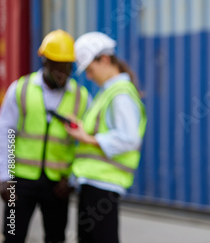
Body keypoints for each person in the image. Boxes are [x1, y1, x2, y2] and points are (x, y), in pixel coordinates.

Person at [0, 30, 89, 243]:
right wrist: (5, 177)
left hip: (58, 185)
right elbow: (6, 133)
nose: (62, 72)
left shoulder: (81, 97)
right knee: (13, 234)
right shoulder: (20, 89)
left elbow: (86, 143)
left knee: (56, 237)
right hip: (19, 183)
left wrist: (73, 179)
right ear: (45, 61)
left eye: (67, 66)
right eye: (57, 65)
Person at [64, 32, 146, 243]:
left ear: (105, 60)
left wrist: (87, 138)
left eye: (90, 70)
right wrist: (83, 131)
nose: (89, 76)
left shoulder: (120, 93)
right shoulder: (109, 92)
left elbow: (129, 138)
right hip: (94, 183)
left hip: (104, 186)